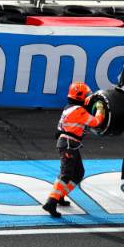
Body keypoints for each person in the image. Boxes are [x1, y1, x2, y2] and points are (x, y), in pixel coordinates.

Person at [43, 82, 103, 217]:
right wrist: (100, 109)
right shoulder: (78, 110)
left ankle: (59, 196)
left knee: (78, 173)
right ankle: (51, 202)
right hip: (68, 144)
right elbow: (96, 122)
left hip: (69, 144)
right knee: (66, 174)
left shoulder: (68, 108)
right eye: (87, 95)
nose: (88, 97)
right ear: (81, 96)